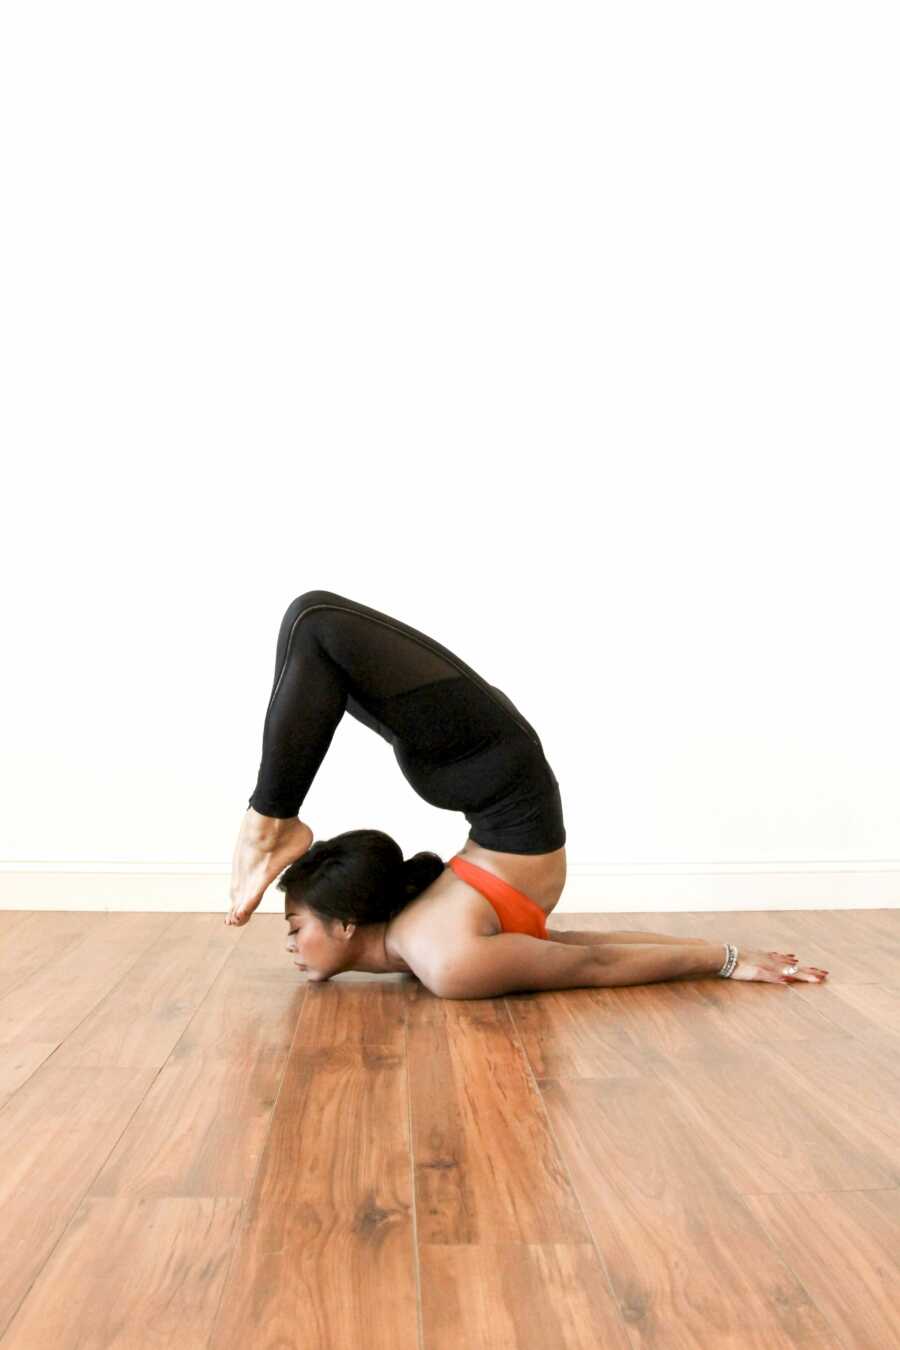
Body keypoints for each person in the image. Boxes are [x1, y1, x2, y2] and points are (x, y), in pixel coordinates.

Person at [226, 590, 828, 997]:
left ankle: (272, 822)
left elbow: (581, 956)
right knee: (315, 625)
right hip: (492, 774)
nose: (290, 943)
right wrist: (720, 956)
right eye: (292, 927)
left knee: (316, 632)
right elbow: (581, 954)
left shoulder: (438, 954)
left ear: (348, 924)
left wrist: (720, 957)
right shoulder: (442, 956)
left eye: (295, 925)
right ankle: (270, 822)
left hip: (489, 776)